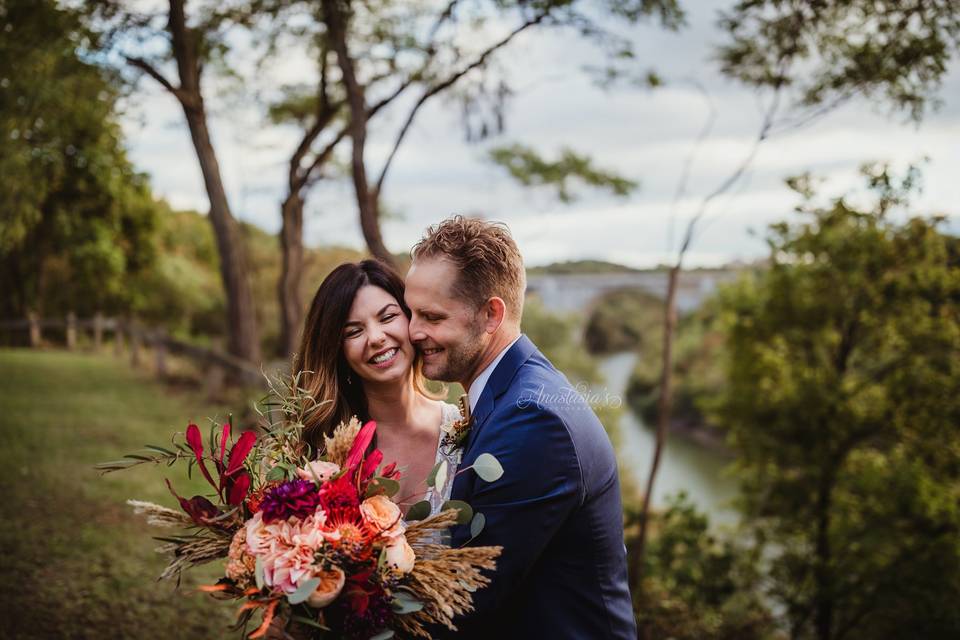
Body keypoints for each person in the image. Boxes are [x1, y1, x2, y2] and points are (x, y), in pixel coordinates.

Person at [404, 215, 637, 639]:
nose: (413, 331)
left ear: (492, 314)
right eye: (410, 313)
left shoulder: (533, 420)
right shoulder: (510, 391)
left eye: (432, 317)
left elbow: (467, 599)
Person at [293, 259, 461, 515]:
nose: (376, 338)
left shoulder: (464, 432)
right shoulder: (316, 451)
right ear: (337, 352)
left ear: (412, 320)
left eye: (388, 317)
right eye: (353, 332)